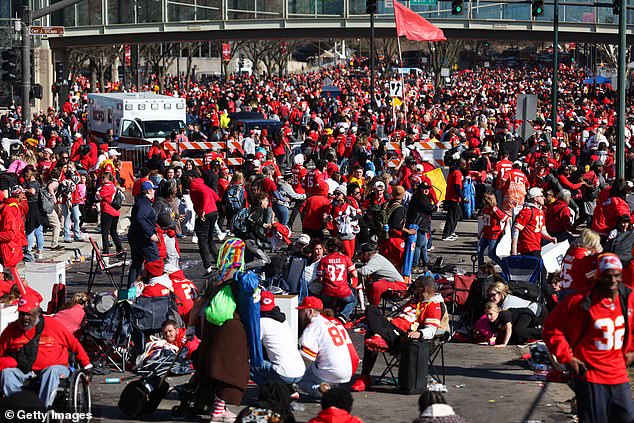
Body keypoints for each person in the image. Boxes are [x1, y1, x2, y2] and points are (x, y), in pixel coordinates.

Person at [543, 253, 634, 423]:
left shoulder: (628, 298)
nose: (613, 281)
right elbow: (551, 328)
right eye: (607, 276)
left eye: (617, 276)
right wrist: (567, 358)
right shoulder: (580, 301)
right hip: (591, 375)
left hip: (618, 374)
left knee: (627, 418)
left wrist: (632, 350)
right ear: (598, 277)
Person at [351, 276, 446, 392]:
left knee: (370, 334)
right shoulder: (415, 301)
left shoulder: (434, 306)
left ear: (424, 289)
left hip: (402, 337)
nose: (413, 291)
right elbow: (401, 316)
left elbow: (431, 330)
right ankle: (379, 336)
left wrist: (419, 333)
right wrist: (390, 319)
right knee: (371, 309)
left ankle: (365, 377)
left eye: (416, 288)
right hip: (391, 328)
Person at [0, 292, 93, 408]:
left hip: (55, 369)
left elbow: (74, 345)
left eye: (29, 314)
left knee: (51, 371)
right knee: (7, 374)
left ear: (37, 313)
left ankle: (42, 409)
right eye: (22, 314)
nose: (25, 318)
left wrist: (87, 366)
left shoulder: (53, 325)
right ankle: (17, 409)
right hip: (25, 370)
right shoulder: (11, 330)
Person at [297, 296, 359, 398]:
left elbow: (309, 357)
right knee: (316, 366)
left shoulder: (313, 326)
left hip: (331, 371)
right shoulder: (330, 322)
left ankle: (323, 391)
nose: (300, 314)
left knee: (300, 380)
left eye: (302, 311)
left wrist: (293, 351)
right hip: (348, 370)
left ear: (309, 312)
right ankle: (332, 387)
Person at [250, 291, 305, 386]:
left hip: (283, 374)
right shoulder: (283, 321)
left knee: (248, 365)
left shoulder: (261, 322)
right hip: (300, 371)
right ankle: (289, 390)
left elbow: (253, 345)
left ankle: (271, 391)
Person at [317, 237, 358, 322]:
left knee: (325, 303)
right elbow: (355, 274)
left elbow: (320, 279)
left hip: (328, 291)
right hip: (343, 290)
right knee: (353, 301)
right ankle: (343, 315)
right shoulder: (345, 258)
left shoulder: (324, 260)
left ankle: (327, 318)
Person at [127, 181, 160, 286]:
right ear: (149, 191)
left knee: (136, 264)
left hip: (135, 236)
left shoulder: (140, 201)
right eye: (153, 189)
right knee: (155, 261)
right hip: (143, 238)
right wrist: (151, 234)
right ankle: (156, 286)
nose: (154, 191)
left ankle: (131, 290)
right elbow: (140, 218)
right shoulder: (144, 203)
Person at [187, 174, 221, 276]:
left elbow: (206, 194)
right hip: (213, 212)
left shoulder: (194, 185)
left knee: (203, 241)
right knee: (210, 239)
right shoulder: (203, 184)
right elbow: (215, 196)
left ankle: (208, 268)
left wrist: (203, 209)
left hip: (205, 213)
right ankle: (220, 262)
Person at [357, 242, 406, 306]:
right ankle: (371, 307)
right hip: (389, 283)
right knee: (369, 283)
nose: (359, 257)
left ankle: (374, 308)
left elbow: (365, 271)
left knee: (376, 286)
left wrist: (351, 270)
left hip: (398, 286)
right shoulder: (374, 258)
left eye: (360, 254)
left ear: (365, 254)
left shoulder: (375, 259)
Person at [511, 187, 556, 256]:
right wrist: (514, 249)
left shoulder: (540, 211)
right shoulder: (527, 211)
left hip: (536, 246)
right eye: (541, 196)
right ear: (535, 198)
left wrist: (550, 238)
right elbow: (516, 229)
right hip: (528, 247)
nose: (544, 198)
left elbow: (542, 230)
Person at [559, 229, 602, 297]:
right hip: (575, 292)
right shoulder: (583, 256)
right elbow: (593, 276)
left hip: (564, 290)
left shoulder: (571, 251)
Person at [96, 172, 124, 264]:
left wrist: (98, 191)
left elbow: (99, 196)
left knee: (105, 233)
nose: (102, 179)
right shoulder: (114, 186)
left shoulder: (107, 186)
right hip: (115, 212)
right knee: (113, 232)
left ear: (107, 178)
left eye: (103, 177)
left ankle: (106, 253)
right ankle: (120, 250)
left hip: (107, 211)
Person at [477, 192, 509, 267]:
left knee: (491, 254)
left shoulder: (494, 209)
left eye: (484, 199)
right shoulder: (485, 209)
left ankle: (503, 265)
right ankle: (481, 267)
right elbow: (485, 223)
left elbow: (506, 218)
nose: (482, 201)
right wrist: (480, 233)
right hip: (486, 233)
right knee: (479, 251)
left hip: (494, 234)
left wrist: (504, 229)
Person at [0, 186, 28, 269]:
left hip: (11, 247)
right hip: (11, 246)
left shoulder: (11, 208)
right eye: (22, 193)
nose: (23, 195)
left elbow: (10, 233)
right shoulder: (12, 207)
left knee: (10, 274)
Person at [442, 158, 466, 241]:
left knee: (456, 215)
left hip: (450, 196)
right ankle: (446, 234)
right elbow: (457, 186)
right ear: (461, 164)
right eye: (464, 164)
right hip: (454, 198)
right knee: (452, 216)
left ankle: (451, 232)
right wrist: (463, 197)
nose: (465, 165)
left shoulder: (452, 171)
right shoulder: (457, 173)